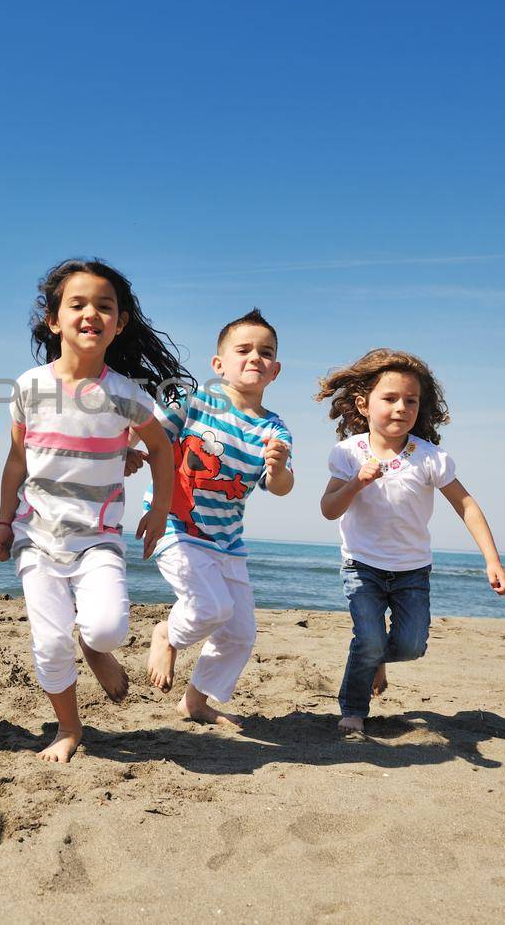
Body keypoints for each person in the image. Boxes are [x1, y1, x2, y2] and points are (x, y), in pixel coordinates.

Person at [0, 259, 182, 762]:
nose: (91, 313)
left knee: (109, 628)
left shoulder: (127, 395)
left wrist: (160, 511)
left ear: (120, 322)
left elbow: (161, 450)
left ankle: (95, 649)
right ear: (54, 320)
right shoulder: (29, 387)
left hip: (98, 537)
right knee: (49, 645)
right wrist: (4, 522)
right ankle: (69, 728)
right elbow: (16, 461)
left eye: (104, 306)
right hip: (37, 537)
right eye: (78, 304)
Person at [315, 348, 505, 736]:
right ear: (364, 404)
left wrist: (492, 560)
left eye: (411, 400)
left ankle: (375, 658)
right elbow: (329, 509)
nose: (401, 407)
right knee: (368, 638)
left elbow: (467, 506)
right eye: (389, 399)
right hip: (362, 566)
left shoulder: (430, 458)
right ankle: (354, 709)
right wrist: (357, 483)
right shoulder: (348, 454)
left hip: (412, 571)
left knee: (411, 646)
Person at [136, 308, 293, 725]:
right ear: (219, 363)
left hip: (228, 540)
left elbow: (280, 486)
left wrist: (277, 471)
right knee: (209, 608)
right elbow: (151, 439)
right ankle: (167, 633)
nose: (255, 357)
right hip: (176, 524)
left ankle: (195, 701)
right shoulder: (194, 401)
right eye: (243, 350)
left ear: (275, 371)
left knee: (240, 633)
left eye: (265, 352)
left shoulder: (274, 430)